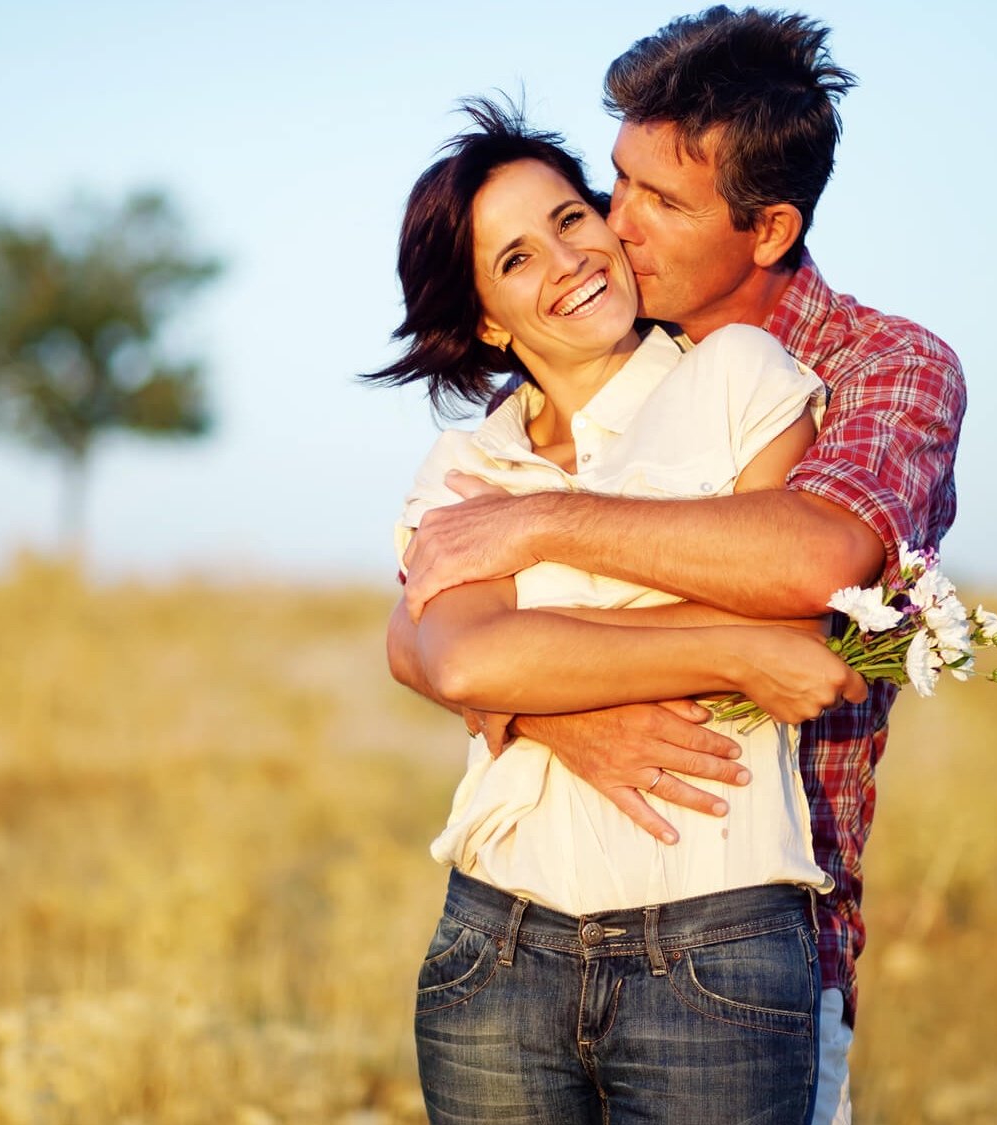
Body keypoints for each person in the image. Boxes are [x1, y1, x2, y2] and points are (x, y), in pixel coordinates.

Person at [390, 10, 967, 1124]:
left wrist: (544, 536)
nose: (611, 230)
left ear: (764, 231)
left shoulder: (867, 367)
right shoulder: (514, 425)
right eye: (614, 184)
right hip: (510, 924)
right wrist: (547, 707)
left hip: (744, 928)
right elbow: (423, 636)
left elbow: (811, 567)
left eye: (658, 203)